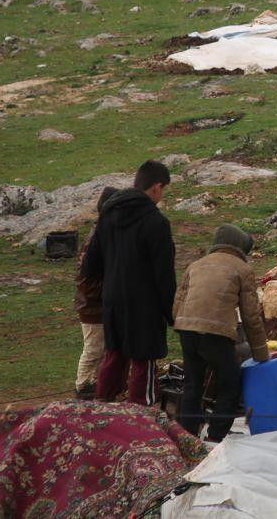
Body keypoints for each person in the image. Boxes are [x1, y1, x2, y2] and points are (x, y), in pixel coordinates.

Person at [83, 160, 176, 405]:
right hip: (144, 306)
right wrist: (172, 313)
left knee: (114, 356)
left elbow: (90, 264)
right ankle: (141, 420)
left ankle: (101, 411)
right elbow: (163, 275)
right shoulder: (156, 223)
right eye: (164, 189)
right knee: (143, 363)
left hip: (113, 300)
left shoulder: (108, 214)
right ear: (156, 187)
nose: (162, 195)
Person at [173, 224, 272, 442]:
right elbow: (251, 317)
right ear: (239, 247)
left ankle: (186, 438)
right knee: (230, 384)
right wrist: (261, 355)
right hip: (215, 335)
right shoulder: (242, 269)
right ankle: (215, 437)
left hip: (186, 330)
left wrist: (183, 325)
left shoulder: (195, 265)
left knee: (192, 384)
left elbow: (178, 303)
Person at [73, 186, 118, 400]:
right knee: (93, 348)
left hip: (95, 301)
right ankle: (82, 384)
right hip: (92, 303)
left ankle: (93, 381)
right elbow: (88, 277)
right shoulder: (98, 237)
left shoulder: (101, 233)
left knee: (99, 347)